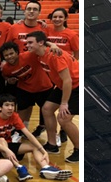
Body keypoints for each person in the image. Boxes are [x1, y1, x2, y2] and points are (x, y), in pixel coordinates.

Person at [0, 93, 71, 180]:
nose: (10, 108)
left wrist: (42, 150)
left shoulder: (14, 116)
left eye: (12, 105)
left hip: (8, 147)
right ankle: (18, 167)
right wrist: (7, 151)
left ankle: (46, 168)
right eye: (7, 105)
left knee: (34, 147)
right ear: (0, 107)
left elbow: (28, 134)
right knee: (1, 139)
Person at [23, 30, 78, 162]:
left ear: (40, 43)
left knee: (64, 119)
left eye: (30, 43)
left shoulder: (55, 56)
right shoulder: (41, 53)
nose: (27, 45)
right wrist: (50, 43)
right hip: (61, 86)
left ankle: (79, 150)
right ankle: (52, 145)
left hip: (77, 86)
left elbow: (68, 80)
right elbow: (43, 41)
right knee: (46, 109)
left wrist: (64, 103)